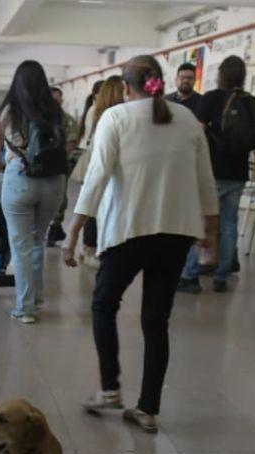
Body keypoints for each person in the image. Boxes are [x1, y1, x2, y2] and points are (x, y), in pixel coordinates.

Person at [61, 55, 217, 433]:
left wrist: (74, 232)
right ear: (158, 83)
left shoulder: (115, 117)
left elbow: (95, 179)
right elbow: (205, 181)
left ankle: (110, 388)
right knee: (156, 321)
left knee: (103, 303)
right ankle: (147, 408)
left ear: (126, 86)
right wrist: (210, 233)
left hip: (129, 230)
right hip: (177, 232)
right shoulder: (187, 120)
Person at [176, 55, 255, 294]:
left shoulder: (211, 99)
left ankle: (190, 273)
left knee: (200, 222)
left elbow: (197, 135)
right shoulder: (252, 102)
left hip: (210, 171)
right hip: (238, 173)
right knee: (228, 224)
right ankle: (221, 276)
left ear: (221, 75)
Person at [0, 60, 68, 325]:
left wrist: (3, 166)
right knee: (37, 241)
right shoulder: (55, 110)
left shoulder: (8, 111)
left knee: (21, 246)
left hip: (20, 178)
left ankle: (25, 308)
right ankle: (36, 300)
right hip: (53, 181)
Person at [72, 77, 125, 259]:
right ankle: (90, 245)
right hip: (96, 157)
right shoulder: (106, 113)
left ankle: (90, 244)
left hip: (94, 156)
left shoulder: (99, 111)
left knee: (94, 202)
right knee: (95, 202)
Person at [46, 86, 81, 246]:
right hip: (40, 166)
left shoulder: (67, 120)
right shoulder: (39, 119)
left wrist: (56, 156)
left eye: (58, 101)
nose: (56, 104)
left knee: (59, 195)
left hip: (60, 164)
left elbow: (72, 143)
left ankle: (55, 226)